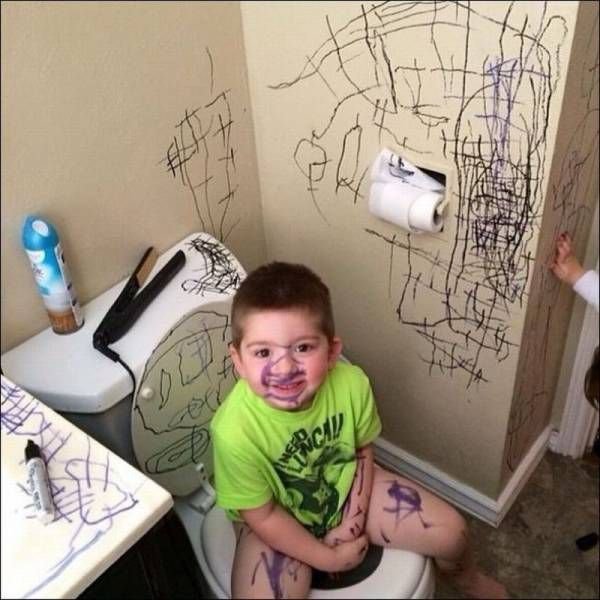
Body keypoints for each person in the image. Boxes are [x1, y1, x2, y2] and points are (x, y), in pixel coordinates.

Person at [211, 261, 507, 599]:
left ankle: (467, 579)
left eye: (303, 347)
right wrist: (328, 557)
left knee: (452, 533)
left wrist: (352, 520)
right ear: (238, 361)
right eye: (263, 352)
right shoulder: (233, 431)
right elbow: (262, 516)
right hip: (274, 517)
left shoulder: (351, 384)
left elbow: (362, 450)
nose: (284, 367)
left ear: (332, 352)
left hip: (344, 483)